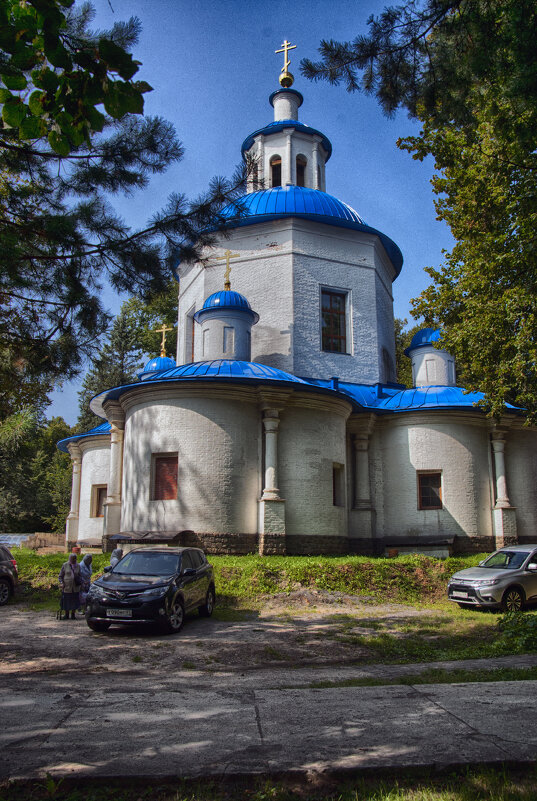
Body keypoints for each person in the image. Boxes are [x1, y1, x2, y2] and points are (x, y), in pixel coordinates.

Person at [58, 553, 81, 620]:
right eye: (72, 559)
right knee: (66, 601)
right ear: (69, 559)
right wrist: (62, 583)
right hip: (67, 587)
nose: (73, 560)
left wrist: (81, 583)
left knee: (74, 600)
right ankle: (66, 614)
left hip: (75, 587)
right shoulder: (65, 565)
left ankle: (73, 614)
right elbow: (60, 576)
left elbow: (80, 575)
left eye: (74, 559)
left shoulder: (78, 566)